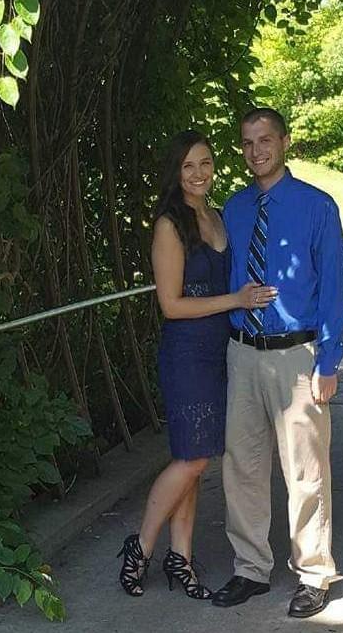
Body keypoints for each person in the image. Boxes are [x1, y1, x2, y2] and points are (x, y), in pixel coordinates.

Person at [117, 130, 277, 599]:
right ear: (175, 172)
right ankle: (141, 546)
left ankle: (181, 560)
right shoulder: (170, 225)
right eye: (188, 166)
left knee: (194, 456)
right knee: (194, 457)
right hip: (187, 353)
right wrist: (235, 300)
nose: (199, 173)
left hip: (223, 350)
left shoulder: (219, 216)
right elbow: (170, 304)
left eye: (205, 163)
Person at [210, 108, 343, 618]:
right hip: (243, 353)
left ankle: (313, 573)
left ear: (285, 141)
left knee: (305, 470)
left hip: (296, 357)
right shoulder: (234, 208)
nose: (256, 151)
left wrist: (328, 361)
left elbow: (333, 287)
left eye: (265, 140)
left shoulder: (317, 206)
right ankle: (251, 569)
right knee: (242, 466)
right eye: (247, 143)